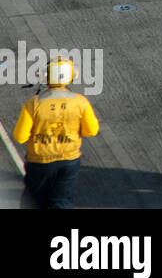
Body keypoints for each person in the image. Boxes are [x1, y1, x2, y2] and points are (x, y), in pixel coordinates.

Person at [11, 57, 99, 209]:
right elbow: (91, 130)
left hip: (39, 162)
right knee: (62, 201)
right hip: (69, 160)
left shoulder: (33, 104)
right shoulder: (80, 102)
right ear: (72, 75)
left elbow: (20, 136)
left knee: (33, 202)